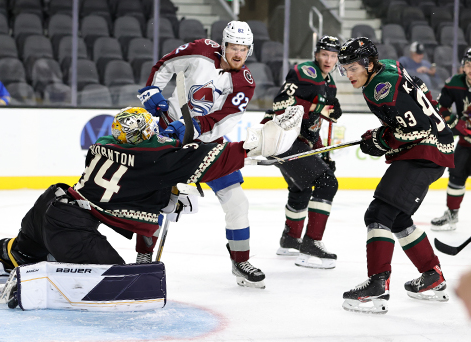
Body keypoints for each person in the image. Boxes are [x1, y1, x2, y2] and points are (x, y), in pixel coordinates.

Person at [0, 106, 301, 286]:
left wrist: (161, 193)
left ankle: (1, 256)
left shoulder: (102, 147)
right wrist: (254, 145)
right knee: (117, 279)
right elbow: (203, 159)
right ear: (139, 137)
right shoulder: (152, 159)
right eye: (150, 130)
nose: (156, 132)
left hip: (51, 203)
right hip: (71, 228)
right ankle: (43, 271)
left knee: (25, 248)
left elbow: (130, 186)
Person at [137, 21, 265, 288]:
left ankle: (240, 261)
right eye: (233, 47)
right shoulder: (201, 50)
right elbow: (166, 64)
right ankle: (143, 258)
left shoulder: (244, 82)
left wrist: (194, 127)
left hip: (208, 143)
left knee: (237, 202)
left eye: (244, 48)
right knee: (156, 199)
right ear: (224, 45)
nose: (238, 54)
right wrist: (152, 89)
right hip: (168, 133)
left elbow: (224, 118)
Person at [337, 37, 454, 314]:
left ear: (368, 63)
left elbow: (417, 129)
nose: (348, 74)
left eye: (353, 67)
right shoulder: (386, 68)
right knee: (398, 217)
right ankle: (432, 276)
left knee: (379, 214)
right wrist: (383, 135)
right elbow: (421, 92)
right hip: (433, 149)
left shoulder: (380, 86)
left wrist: (380, 140)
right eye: (344, 69)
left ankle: (378, 285)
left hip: (426, 151)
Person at [260, 35, 342, 269]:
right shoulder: (305, 71)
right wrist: (318, 107)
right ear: (316, 54)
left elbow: (317, 122)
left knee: (302, 185)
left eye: (333, 56)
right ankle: (311, 246)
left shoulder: (330, 84)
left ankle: (290, 240)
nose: (328, 59)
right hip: (282, 136)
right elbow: (280, 104)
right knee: (327, 182)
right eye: (325, 54)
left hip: (297, 141)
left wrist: (321, 153)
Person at [430, 49, 471, 231]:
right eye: (469, 65)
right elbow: (440, 107)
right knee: (456, 176)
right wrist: (457, 124)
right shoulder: (455, 83)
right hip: (465, 142)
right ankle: (452, 214)